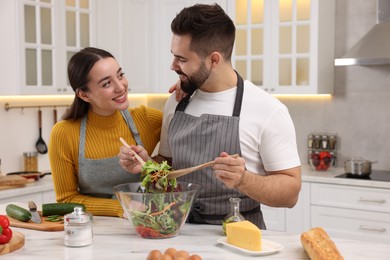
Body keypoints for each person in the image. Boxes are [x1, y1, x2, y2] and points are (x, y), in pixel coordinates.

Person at [119, 4, 301, 229]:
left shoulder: (267, 109)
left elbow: (290, 193)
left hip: (237, 237)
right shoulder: (176, 101)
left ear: (213, 60)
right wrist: (146, 164)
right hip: (176, 229)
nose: (172, 66)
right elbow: (168, 165)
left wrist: (244, 179)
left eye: (182, 59)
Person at [49, 47, 163, 217]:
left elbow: (172, 176)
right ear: (84, 95)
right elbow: (67, 199)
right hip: (96, 230)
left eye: (120, 75)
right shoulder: (64, 133)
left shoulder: (148, 119)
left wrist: (148, 164)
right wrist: (122, 207)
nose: (121, 87)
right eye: (106, 83)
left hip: (148, 221)